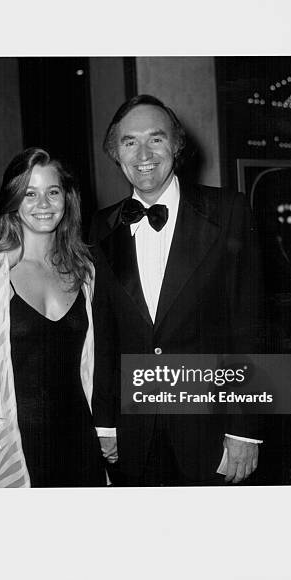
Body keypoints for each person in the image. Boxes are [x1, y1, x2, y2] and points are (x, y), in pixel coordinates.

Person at [90, 95, 263, 486]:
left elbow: (251, 326)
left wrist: (245, 429)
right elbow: (105, 334)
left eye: (156, 138)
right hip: (134, 432)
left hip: (212, 429)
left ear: (177, 146)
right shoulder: (103, 227)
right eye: (129, 142)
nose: (143, 153)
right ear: (116, 153)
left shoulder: (229, 211)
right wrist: (105, 422)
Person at [0, 147, 105, 487]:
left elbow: (95, 365)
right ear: (13, 201)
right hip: (16, 449)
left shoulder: (85, 273)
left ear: (67, 198)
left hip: (81, 441)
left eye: (53, 192)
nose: (43, 204)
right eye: (29, 194)